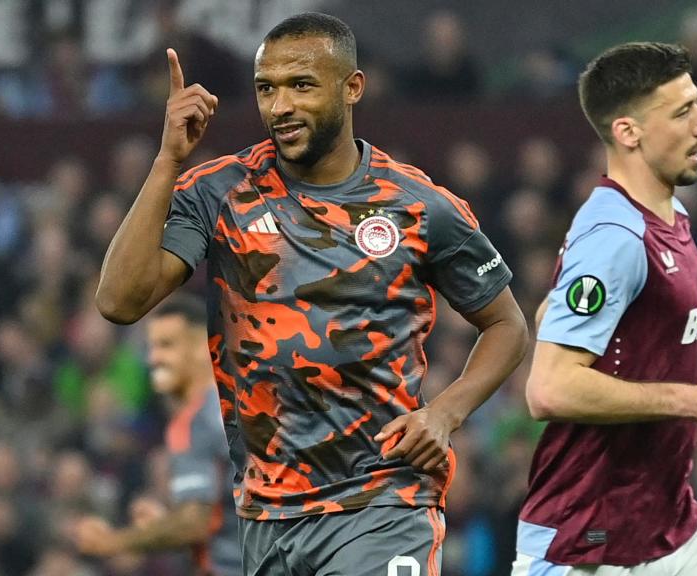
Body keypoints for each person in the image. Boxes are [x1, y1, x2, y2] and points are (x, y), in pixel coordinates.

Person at [95, 11, 528, 576]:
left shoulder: (418, 204)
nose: (280, 106)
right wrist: (166, 162)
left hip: (381, 502)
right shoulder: (219, 192)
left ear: (352, 88)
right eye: (266, 89)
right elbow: (119, 302)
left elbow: (508, 325)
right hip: (266, 513)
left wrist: (445, 413)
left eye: (301, 85)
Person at [513, 42, 697, 575]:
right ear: (628, 132)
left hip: (668, 525)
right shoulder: (616, 235)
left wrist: (672, 404)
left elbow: (551, 317)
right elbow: (549, 388)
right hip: (588, 539)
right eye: (682, 112)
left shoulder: (665, 211)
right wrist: (690, 401)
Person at [76, 294, 240, 576]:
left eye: (167, 346)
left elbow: (194, 524)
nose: (154, 358)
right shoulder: (248, 399)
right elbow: (221, 515)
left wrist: (115, 542)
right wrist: (167, 524)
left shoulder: (195, 423)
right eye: (151, 346)